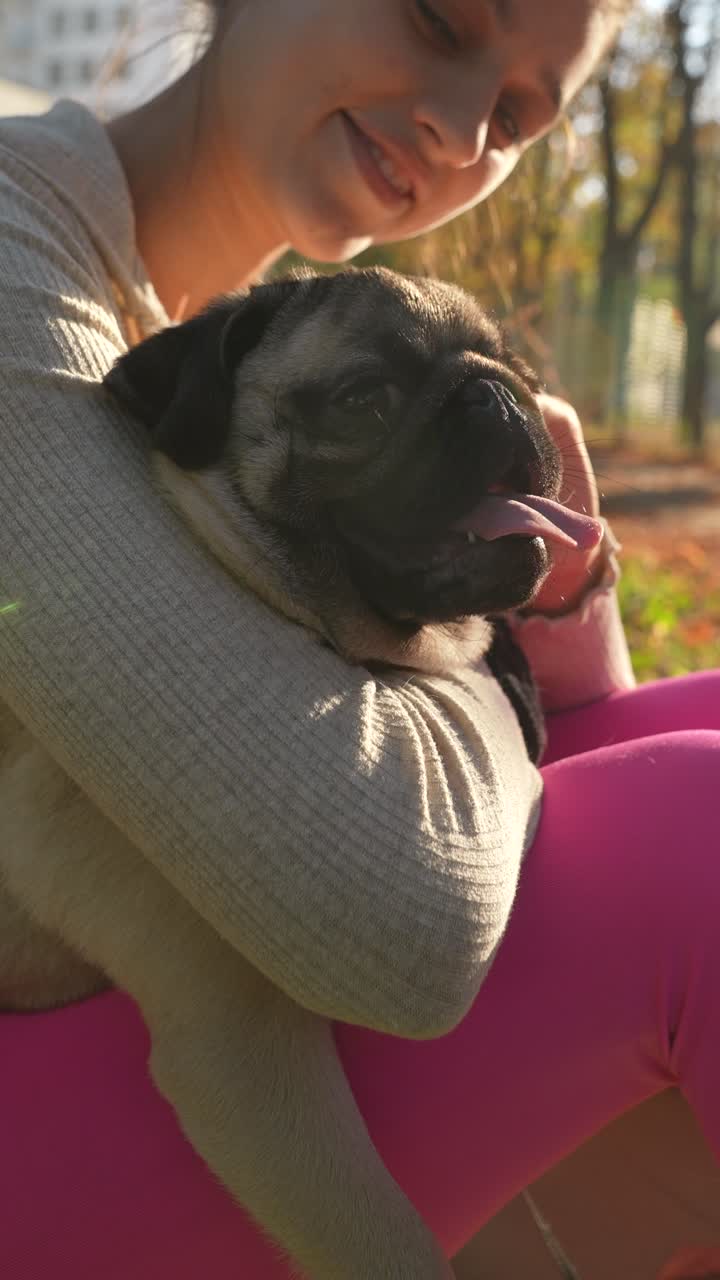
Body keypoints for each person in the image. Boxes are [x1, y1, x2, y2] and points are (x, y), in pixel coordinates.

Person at [0, 1, 718, 1276]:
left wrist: (540, 609)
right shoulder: (20, 261)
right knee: (699, 836)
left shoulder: (249, 322)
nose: (458, 130)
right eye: (439, 13)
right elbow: (397, 925)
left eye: (515, 117)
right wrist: (497, 664)